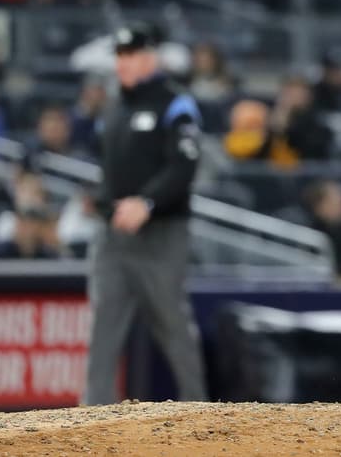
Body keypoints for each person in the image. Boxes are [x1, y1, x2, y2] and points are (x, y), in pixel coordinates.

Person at [82, 22, 207, 405]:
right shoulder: (113, 106)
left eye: (132, 55)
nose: (124, 63)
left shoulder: (176, 103)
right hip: (114, 235)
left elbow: (184, 166)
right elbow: (109, 167)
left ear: (150, 58)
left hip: (162, 233)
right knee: (103, 325)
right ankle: (92, 415)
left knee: (172, 322)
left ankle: (199, 410)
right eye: (120, 56)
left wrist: (147, 202)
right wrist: (105, 203)